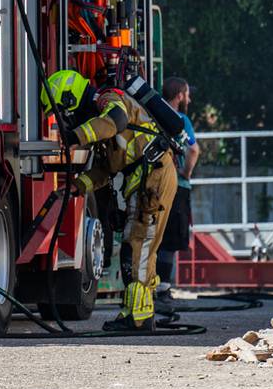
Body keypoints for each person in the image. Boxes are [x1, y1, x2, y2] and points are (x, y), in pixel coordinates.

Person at [41, 69, 178, 331]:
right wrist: (78, 186)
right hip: (147, 176)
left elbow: (117, 120)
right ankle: (140, 311)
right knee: (140, 245)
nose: (66, 121)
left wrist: (76, 137)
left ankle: (137, 318)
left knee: (137, 244)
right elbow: (105, 170)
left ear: (70, 100)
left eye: (63, 112)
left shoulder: (108, 100)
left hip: (153, 176)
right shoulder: (100, 119)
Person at [155, 77, 199, 306]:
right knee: (171, 239)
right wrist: (185, 173)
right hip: (177, 187)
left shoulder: (152, 118)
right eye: (187, 94)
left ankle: (147, 286)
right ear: (180, 96)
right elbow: (192, 150)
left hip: (152, 186)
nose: (189, 99)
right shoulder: (180, 120)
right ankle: (162, 289)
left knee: (153, 236)